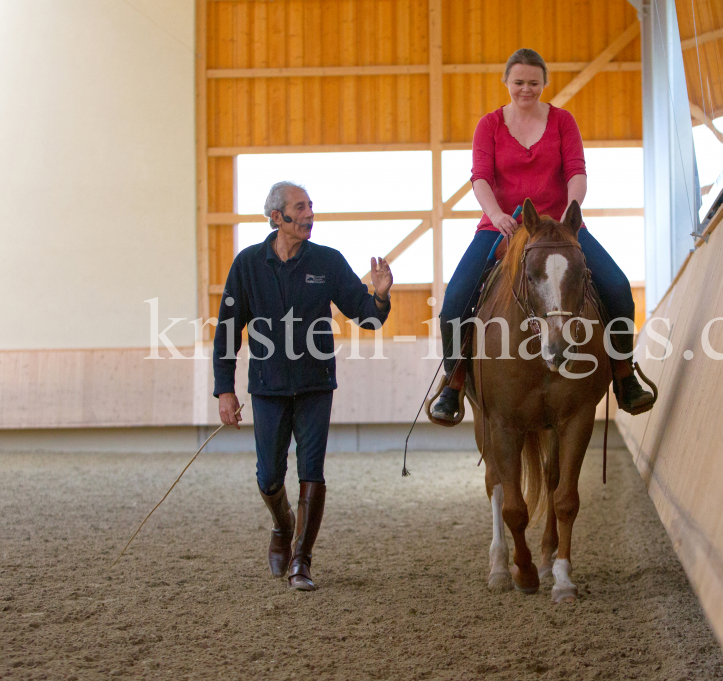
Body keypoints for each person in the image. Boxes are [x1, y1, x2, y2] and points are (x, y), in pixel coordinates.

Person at [430, 48, 655, 423]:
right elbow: (480, 177)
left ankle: (623, 375)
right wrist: (496, 213)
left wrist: (572, 208)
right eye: (518, 82)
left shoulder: (563, 121)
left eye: (534, 83)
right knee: (455, 300)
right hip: (502, 227)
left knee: (617, 288)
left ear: (544, 83)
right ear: (506, 82)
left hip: (561, 229)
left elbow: (577, 172)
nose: (526, 89)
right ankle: (453, 384)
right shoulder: (489, 125)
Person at [213, 181, 393, 591]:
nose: (310, 214)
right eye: (300, 207)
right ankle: (282, 523)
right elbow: (227, 331)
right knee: (269, 478)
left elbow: (366, 317)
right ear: (277, 217)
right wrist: (225, 389)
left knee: (312, 471)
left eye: (311, 205)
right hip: (267, 388)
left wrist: (379, 297)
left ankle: (301, 560)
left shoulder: (328, 262)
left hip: (315, 386)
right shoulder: (247, 265)